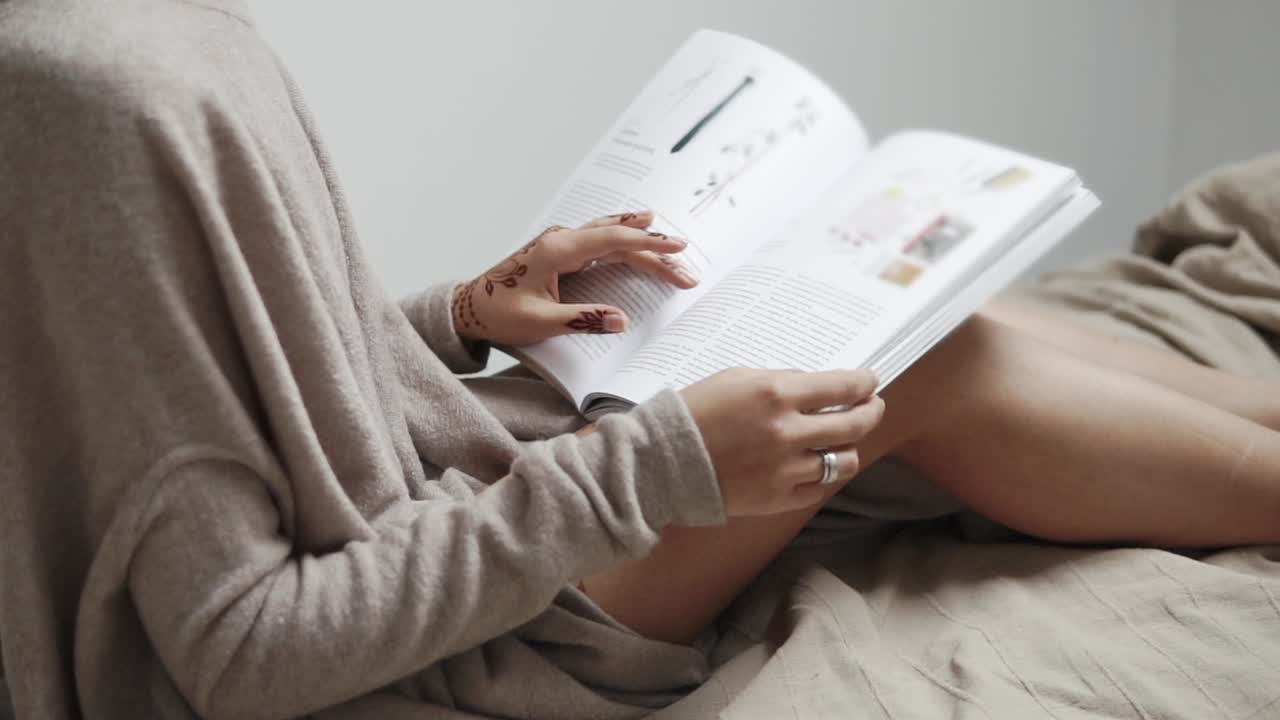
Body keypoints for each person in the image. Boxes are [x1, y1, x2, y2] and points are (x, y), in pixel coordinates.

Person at [1, 1, 1277, 719]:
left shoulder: (136, 43)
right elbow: (234, 646)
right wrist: (648, 471)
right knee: (902, 373)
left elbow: (220, 374)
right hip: (442, 650)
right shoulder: (95, 97)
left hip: (448, 494)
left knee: (934, 312)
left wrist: (464, 315)